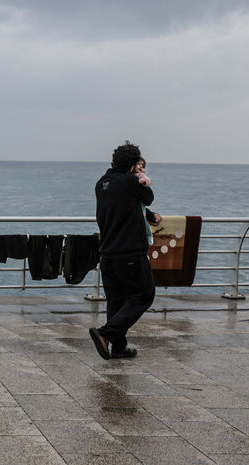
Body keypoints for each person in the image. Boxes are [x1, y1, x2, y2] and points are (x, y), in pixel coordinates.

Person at [89, 142, 159, 360]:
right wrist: (143, 180)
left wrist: (148, 215)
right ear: (132, 165)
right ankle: (105, 333)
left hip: (108, 253)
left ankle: (118, 347)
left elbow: (124, 207)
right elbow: (147, 197)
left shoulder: (102, 184)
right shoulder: (130, 181)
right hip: (130, 252)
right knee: (143, 296)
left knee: (117, 301)